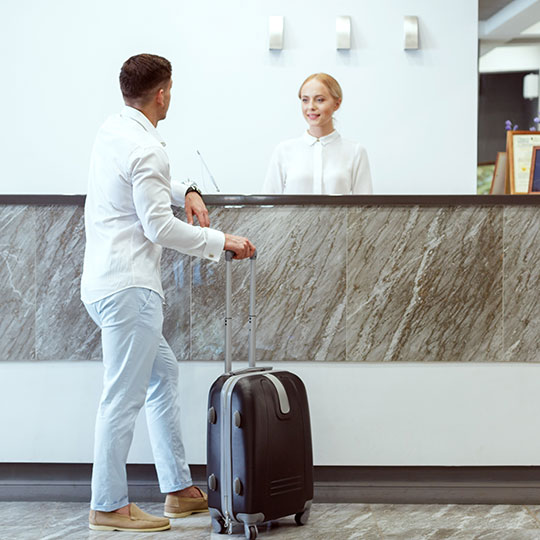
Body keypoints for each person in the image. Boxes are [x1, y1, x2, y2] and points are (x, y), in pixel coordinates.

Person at [81, 53, 255, 533]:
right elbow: (158, 227)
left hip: (102, 284)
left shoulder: (113, 131)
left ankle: (178, 490)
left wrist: (188, 189)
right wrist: (223, 243)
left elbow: (144, 181)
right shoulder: (147, 148)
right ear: (163, 93)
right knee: (120, 399)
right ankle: (108, 505)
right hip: (130, 289)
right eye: (171, 90)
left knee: (162, 376)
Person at [262, 73, 373, 194]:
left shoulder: (355, 152)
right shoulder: (283, 150)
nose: (310, 106)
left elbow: (364, 208)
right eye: (305, 100)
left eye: (319, 100)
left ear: (337, 104)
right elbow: (268, 205)